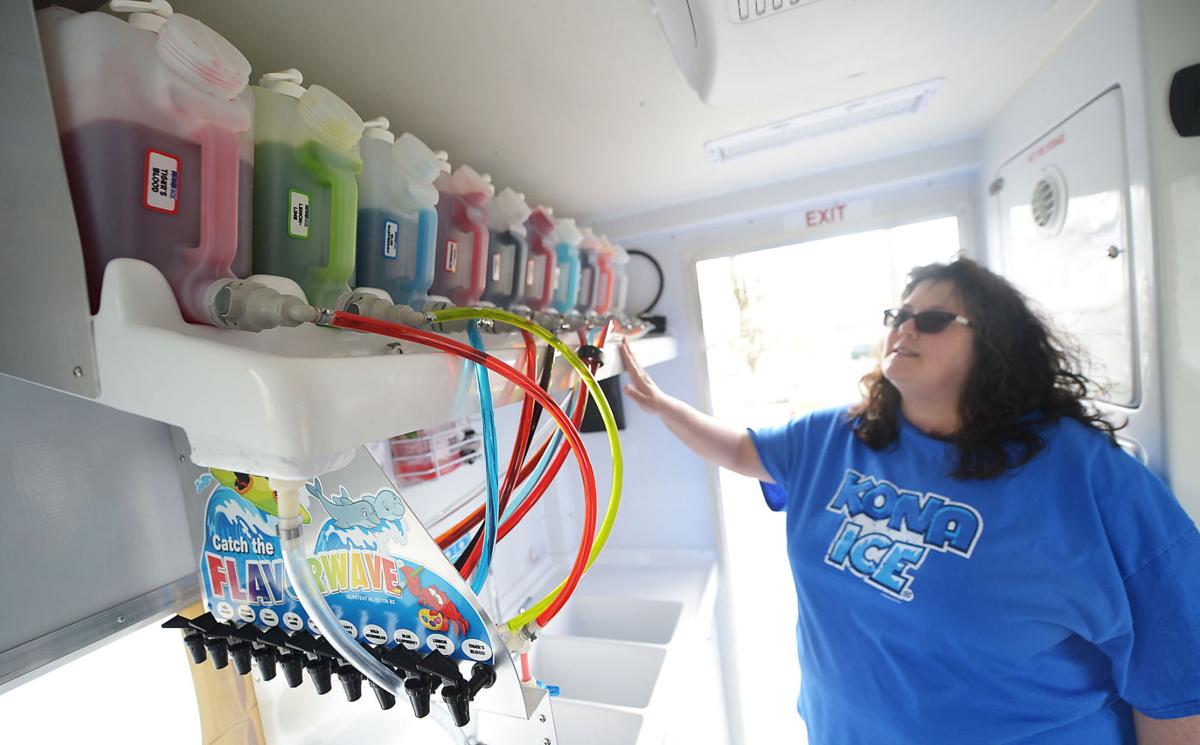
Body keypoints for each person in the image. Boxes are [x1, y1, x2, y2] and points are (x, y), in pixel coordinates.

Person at [619, 257, 1200, 745]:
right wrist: (665, 407)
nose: (905, 328)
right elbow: (745, 452)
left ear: (997, 343)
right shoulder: (839, 437)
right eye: (898, 314)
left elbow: (1177, 685)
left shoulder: (1090, 477)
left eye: (933, 318)